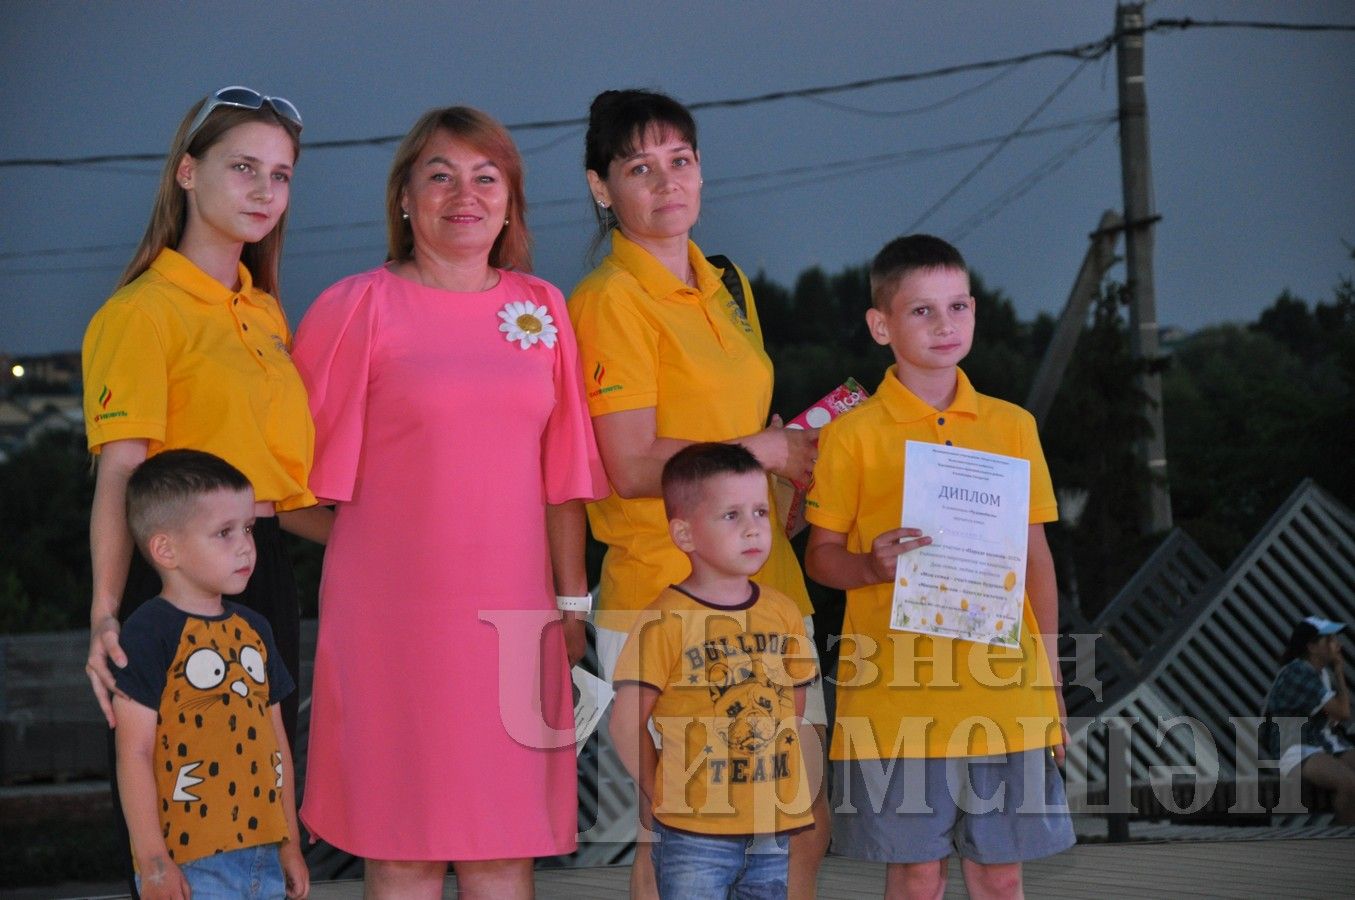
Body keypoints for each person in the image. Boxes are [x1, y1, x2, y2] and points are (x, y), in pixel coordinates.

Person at [292, 105, 607, 898]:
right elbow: (281, 484)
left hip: (516, 623)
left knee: (504, 848)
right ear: (404, 198)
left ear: (510, 201)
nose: (463, 194)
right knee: (401, 850)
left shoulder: (544, 310)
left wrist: (571, 606)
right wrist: (381, 551)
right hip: (390, 628)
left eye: (485, 177)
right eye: (440, 175)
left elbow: (563, 477)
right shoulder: (353, 307)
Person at [568, 88, 831, 898]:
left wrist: (792, 467)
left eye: (679, 161)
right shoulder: (607, 301)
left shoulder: (726, 281)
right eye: (639, 168)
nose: (665, 182)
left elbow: (739, 422)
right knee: (677, 827)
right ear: (600, 188)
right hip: (662, 590)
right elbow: (632, 464)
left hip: (768, 584)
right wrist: (764, 449)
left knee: (802, 815)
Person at [81, 85, 322, 896]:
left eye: (281, 175)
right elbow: (120, 470)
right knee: (184, 841)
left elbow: (285, 496)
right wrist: (108, 612)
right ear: (187, 172)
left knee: (256, 796)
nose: (264, 191)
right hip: (172, 580)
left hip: (262, 576)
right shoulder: (142, 311)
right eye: (243, 167)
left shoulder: (264, 312)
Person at [803, 234, 1074, 899]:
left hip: (1003, 694)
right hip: (896, 695)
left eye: (956, 306)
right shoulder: (850, 435)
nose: (944, 324)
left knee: (1001, 877)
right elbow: (820, 557)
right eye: (921, 310)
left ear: (975, 312)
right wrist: (870, 567)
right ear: (880, 325)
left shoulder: (1012, 426)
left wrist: (1050, 682)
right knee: (916, 878)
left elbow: (1035, 559)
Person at [611, 443, 817, 900]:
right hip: (694, 831)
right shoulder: (663, 620)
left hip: (771, 823)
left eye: (761, 511)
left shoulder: (782, 612)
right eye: (731, 516)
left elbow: (794, 707)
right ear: (684, 534)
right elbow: (626, 723)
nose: (753, 529)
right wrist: (657, 792)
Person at [112, 450, 307, 900]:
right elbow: (134, 754)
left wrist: (290, 843)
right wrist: (154, 861)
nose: (245, 546)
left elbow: (277, 745)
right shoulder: (148, 632)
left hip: (266, 857)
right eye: (224, 532)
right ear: (166, 549)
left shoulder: (256, 629)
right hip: (191, 863)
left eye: (248, 529)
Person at [1263, 616, 1355, 823]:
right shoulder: (1299, 671)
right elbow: (1343, 712)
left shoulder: (1319, 673)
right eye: (1329, 640)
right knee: (1349, 783)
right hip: (1294, 748)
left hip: (1320, 743)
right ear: (1312, 646)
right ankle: (1341, 843)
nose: (1337, 645)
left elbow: (1333, 717)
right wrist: (1340, 671)